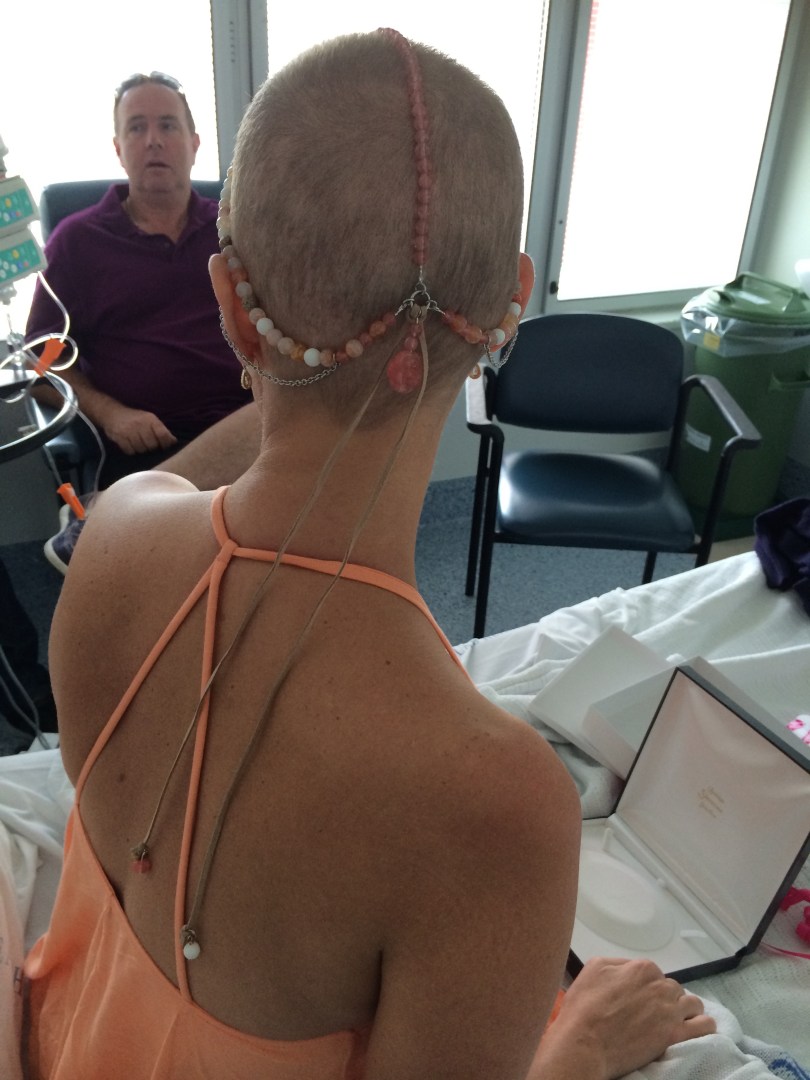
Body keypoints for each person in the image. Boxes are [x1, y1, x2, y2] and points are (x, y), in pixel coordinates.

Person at [23, 31, 715, 1079]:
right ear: (512, 308)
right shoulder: (501, 806)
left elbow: (177, 486)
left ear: (228, 306)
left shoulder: (114, 538)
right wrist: (579, 1045)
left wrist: (295, 352)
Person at [25, 71, 252, 491]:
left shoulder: (238, 230)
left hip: (250, 426)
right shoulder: (78, 242)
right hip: (146, 447)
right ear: (118, 149)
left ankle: (117, 516)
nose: (153, 141)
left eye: (167, 125)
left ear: (194, 144)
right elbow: (39, 361)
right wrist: (110, 413)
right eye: (136, 128)